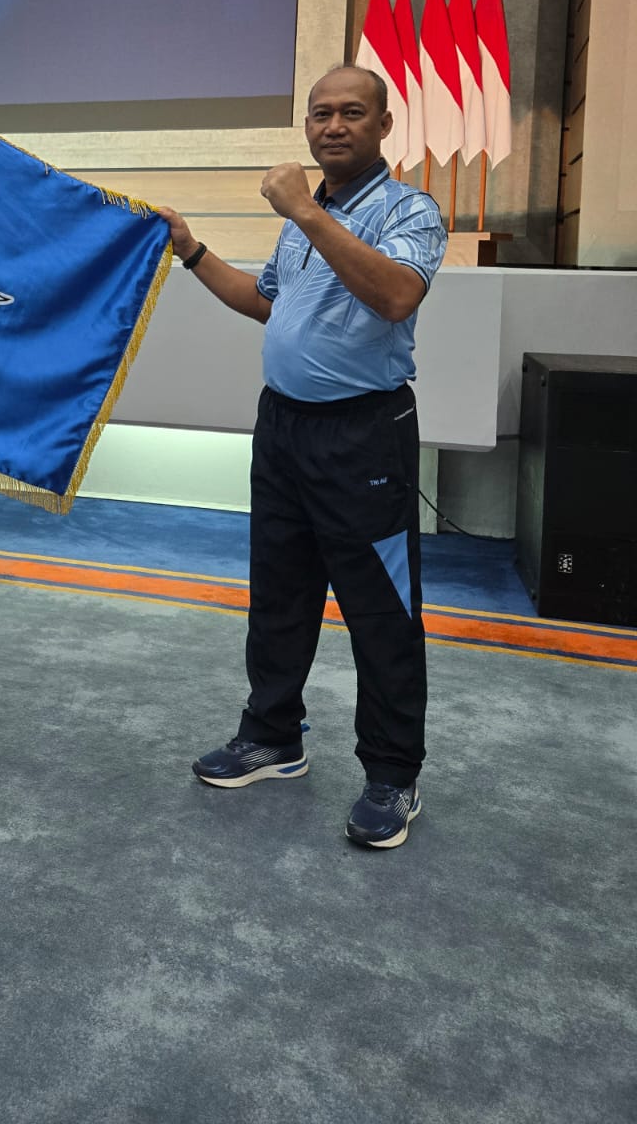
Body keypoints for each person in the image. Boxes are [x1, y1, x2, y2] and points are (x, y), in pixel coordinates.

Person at [161, 64, 447, 848]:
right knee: (280, 593)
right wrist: (191, 250)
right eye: (321, 114)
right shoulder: (305, 218)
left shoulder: (408, 211)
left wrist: (304, 210)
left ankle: (393, 774)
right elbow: (266, 303)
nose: (333, 126)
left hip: (364, 436)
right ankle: (273, 736)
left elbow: (395, 295)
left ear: (383, 125)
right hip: (284, 430)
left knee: (381, 612)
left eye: (352, 112)